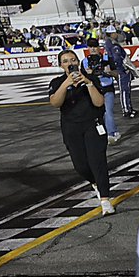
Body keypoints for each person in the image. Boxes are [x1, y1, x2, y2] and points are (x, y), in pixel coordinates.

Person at [48, 50, 115, 216]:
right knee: (80, 165)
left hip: (93, 125)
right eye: (65, 61)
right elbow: (55, 103)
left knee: (97, 161)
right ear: (60, 65)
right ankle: (95, 182)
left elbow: (99, 103)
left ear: (78, 62)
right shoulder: (57, 82)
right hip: (71, 128)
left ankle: (105, 200)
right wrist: (66, 83)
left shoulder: (91, 79)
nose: (70, 63)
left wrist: (88, 83)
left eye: (72, 60)